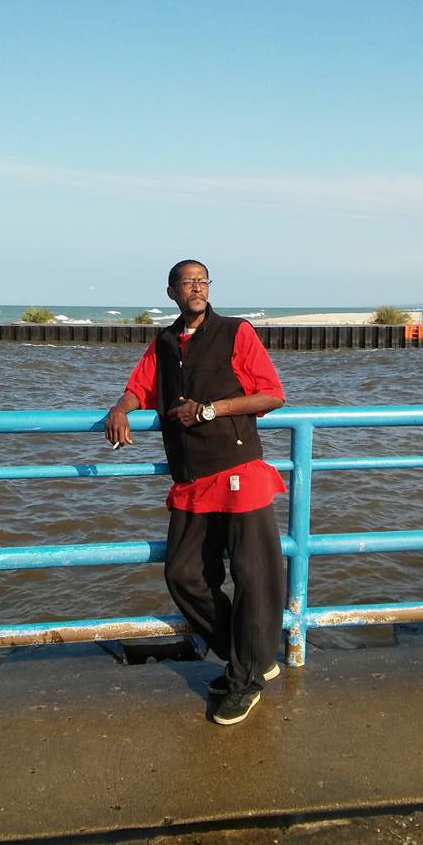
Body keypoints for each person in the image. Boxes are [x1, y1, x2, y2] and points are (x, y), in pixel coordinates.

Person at [105, 259, 286, 725]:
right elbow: (139, 388)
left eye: (203, 281)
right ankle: (249, 656)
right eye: (188, 282)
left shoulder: (235, 332)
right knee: (182, 575)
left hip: (239, 470)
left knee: (253, 576)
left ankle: (246, 680)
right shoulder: (164, 342)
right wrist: (121, 408)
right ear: (171, 293)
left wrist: (209, 411)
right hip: (191, 480)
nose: (197, 288)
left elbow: (271, 395)